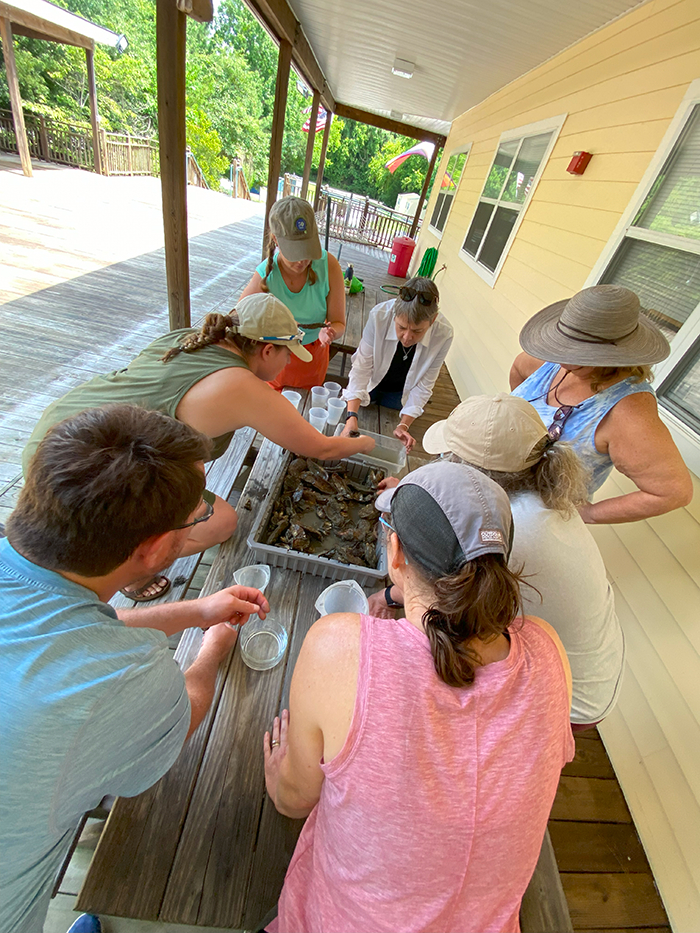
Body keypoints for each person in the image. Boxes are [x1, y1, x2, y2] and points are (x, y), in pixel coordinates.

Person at [262, 461, 574, 933]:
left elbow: (293, 800)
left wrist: (276, 772)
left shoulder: (339, 647)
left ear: (396, 553)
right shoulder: (549, 651)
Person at [0, 405, 271, 933]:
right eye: (194, 516)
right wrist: (210, 647)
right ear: (151, 550)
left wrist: (196, 610)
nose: (199, 518)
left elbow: (62, 628)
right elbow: (187, 711)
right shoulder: (127, 681)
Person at [22, 293, 374, 599]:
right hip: (90, 469)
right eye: (288, 354)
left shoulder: (195, 337)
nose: (289, 362)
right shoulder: (242, 387)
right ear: (267, 349)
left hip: (62, 435)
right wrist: (366, 443)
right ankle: (125, 572)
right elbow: (322, 449)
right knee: (221, 522)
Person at [371, 394, 624, 731]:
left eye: (452, 457)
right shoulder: (535, 496)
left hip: (568, 697)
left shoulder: (507, 533)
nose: (446, 460)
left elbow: (446, 592)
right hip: (598, 662)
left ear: (476, 470)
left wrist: (388, 597)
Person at [509, 284, 692, 523]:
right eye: (563, 346)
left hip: (531, 524)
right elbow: (518, 369)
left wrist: (590, 514)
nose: (563, 360)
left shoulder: (627, 409)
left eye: (579, 355)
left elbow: (673, 492)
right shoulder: (552, 360)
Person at [239, 196, 346, 390]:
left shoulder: (329, 265)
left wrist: (330, 332)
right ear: (275, 240)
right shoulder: (266, 275)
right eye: (295, 252)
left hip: (313, 355)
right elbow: (239, 319)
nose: (302, 261)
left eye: (308, 250)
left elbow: (339, 322)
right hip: (274, 357)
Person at [340, 278, 453, 451]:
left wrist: (404, 426)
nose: (407, 337)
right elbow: (361, 367)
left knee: (387, 426)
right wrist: (351, 416)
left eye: (417, 331)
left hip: (401, 393)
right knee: (359, 417)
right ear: (394, 313)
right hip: (370, 382)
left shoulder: (444, 334)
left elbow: (424, 385)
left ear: (433, 320)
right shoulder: (379, 315)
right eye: (401, 327)